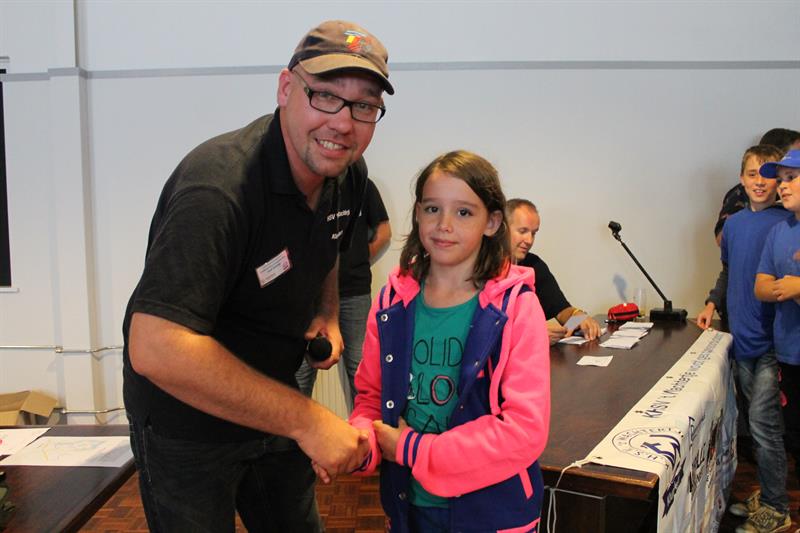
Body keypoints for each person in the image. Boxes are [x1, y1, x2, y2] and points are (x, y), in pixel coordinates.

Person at [121, 20, 394, 532]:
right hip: (186, 423)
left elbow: (330, 241)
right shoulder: (217, 189)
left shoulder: (347, 174)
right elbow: (155, 346)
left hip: (272, 396)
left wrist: (327, 314)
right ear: (286, 88)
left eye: (364, 106)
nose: (343, 122)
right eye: (326, 96)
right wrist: (308, 420)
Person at [331, 150, 550, 532]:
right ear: (417, 213)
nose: (444, 224)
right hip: (409, 507)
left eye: (464, 212)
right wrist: (360, 444)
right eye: (432, 209)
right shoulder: (391, 301)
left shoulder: (517, 307)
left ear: (492, 222)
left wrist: (411, 448)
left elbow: (523, 430)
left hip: (492, 514)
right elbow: (371, 398)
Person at [696, 145, 790, 533]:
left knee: (766, 428)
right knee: (751, 424)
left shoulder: (786, 223)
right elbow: (728, 272)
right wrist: (711, 302)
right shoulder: (733, 226)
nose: (760, 182)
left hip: (770, 344)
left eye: (768, 175)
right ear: (741, 179)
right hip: (740, 339)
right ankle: (767, 493)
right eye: (752, 174)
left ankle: (777, 507)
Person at [296, 177, 392, 410]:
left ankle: (365, 429)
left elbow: (384, 231)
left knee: (361, 370)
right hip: (307, 294)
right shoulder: (303, 186)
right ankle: (294, 430)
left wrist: (359, 261)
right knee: (300, 372)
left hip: (354, 292)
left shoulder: (362, 184)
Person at [755, 149, 800, 531]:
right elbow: (761, 287)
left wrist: (796, 286)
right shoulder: (779, 231)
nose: (782, 186)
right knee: (795, 439)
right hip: (788, 351)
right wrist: (790, 287)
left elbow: (778, 286)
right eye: (780, 179)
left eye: (791, 178)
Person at [505, 198, 602, 344]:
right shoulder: (481, 268)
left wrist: (580, 318)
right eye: (523, 231)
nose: (529, 240)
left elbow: (561, 311)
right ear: (502, 228)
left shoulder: (534, 265)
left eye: (534, 233)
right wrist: (532, 333)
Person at [714, 128, 800, 246]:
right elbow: (724, 239)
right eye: (794, 155)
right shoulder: (738, 197)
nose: (760, 182)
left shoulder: (787, 219)